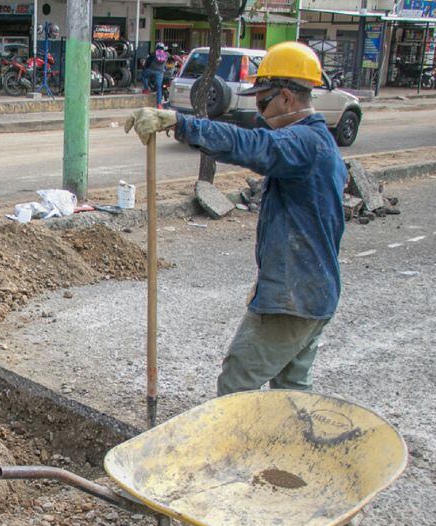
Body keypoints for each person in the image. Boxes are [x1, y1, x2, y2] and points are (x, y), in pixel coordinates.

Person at [125, 41, 346, 397]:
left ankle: (235, 453)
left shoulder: (303, 143)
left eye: (263, 101)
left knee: (236, 385)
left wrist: (182, 123)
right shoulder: (321, 145)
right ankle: (286, 450)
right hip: (313, 292)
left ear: (287, 98)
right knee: (291, 390)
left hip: (295, 298)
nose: (259, 111)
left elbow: (253, 145)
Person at [141, 43, 169, 107]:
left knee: (144, 76)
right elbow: (165, 64)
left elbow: (148, 62)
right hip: (160, 72)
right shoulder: (166, 54)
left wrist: (145, 68)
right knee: (159, 88)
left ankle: (146, 89)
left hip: (151, 70)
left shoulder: (153, 53)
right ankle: (159, 104)